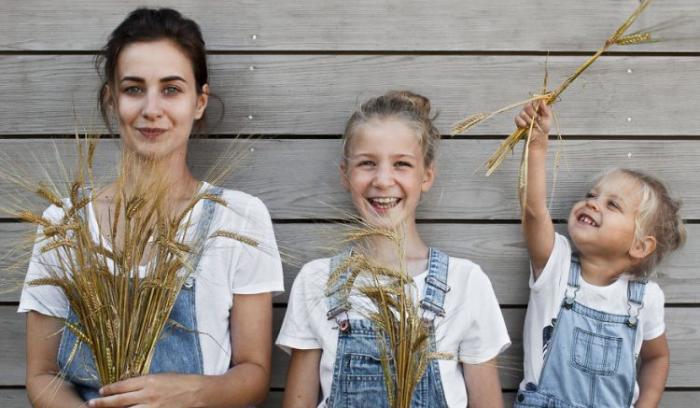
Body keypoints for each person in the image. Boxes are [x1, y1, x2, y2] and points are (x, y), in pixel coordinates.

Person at [19, 8, 283, 407]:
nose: (151, 109)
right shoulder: (64, 222)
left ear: (199, 101)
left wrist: (187, 391)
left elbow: (253, 374)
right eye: (134, 89)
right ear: (112, 100)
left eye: (172, 89)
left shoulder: (239, 217)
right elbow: (41, 374)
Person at [277, 90, 511, 407]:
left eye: (401, 164)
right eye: (367, 163)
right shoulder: (316, 280)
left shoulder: (467, 283)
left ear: (426, 176)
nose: (383, 180)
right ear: (345, 175)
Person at [513, 102, 685, 408]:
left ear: (640, 247)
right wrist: (537, 146)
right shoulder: (556, 265)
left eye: (612, 204)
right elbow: (534, 212)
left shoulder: (645, 299)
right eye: (592, 195)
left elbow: (657, 357)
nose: (593, 203)